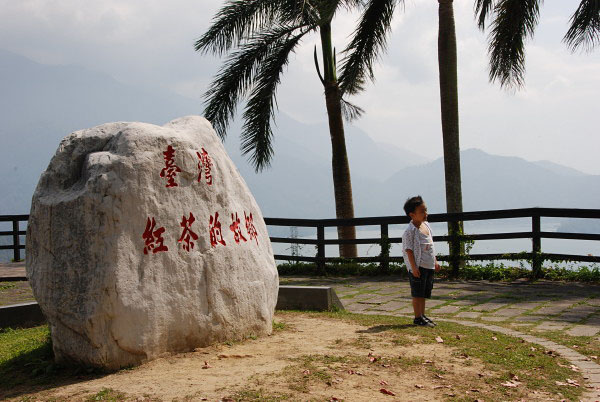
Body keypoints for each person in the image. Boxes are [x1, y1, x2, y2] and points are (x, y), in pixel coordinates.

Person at [402, 196, 441, 327]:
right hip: (418, 266)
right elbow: (409, 250)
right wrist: (413, 268)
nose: (426, 214)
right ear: (412, 215)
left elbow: (430, 246)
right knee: (417, 293)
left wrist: (435, 261)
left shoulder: (427, 226)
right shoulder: (410, 231)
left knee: (424, 293)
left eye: (426, 210)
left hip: (428, 265)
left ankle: (422, 315)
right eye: (422, 211)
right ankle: (417, 317)